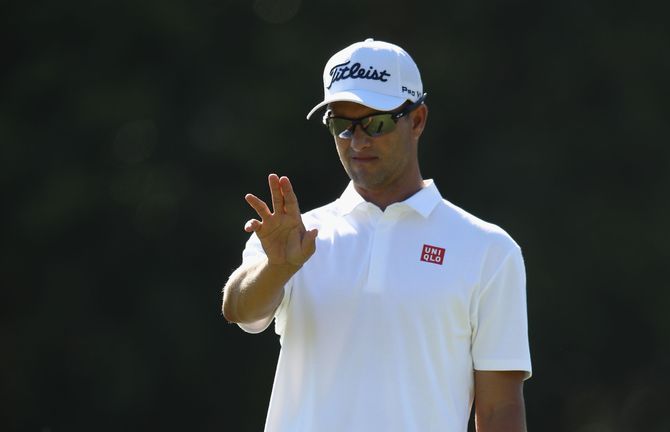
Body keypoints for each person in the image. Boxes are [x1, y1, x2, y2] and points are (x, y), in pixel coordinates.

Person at [221, 38, 532, 432]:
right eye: (342, 125)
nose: (358, 141)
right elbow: (240, 310)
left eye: (377, 122)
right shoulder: (292, 237)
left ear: (417, 120)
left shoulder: (490, 249)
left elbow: (500, 410)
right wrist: (277, 268)